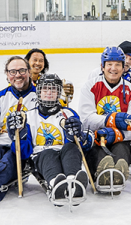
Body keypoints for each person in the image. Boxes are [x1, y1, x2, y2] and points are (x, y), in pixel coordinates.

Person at [77, 47, 131, 192]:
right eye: (109, 64)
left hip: (121, 139)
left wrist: (117, 135)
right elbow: (85, 120)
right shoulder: (90, 86)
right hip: (95, 137)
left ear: (123, 67)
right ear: (102, 66)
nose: (114, 68)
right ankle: (102, 174)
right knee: (98, 149)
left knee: (120, 151)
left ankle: (117, 174)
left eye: (118, 64)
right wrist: (110, 120)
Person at [28, 74, 93, 205]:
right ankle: (55, 185)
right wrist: (17, 134)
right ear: (38, 92)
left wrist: (77, 135)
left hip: (63, 152)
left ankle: (73, 182)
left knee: (71, 148)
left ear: (59, 93)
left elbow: (83, 143)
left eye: (53, 90)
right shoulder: (29, 116)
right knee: (48, 153)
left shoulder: (68, 113)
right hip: (42, 155)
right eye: (45, 89)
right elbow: (23, 149)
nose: (49, 93)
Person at [0, 56, 36, 205]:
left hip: (23, 146)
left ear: (29, 72)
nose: (17, 75)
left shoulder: (39, 96)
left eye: (21, 70)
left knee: (7, 162)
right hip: (0, 142)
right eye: (12, 71)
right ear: (7, 75)